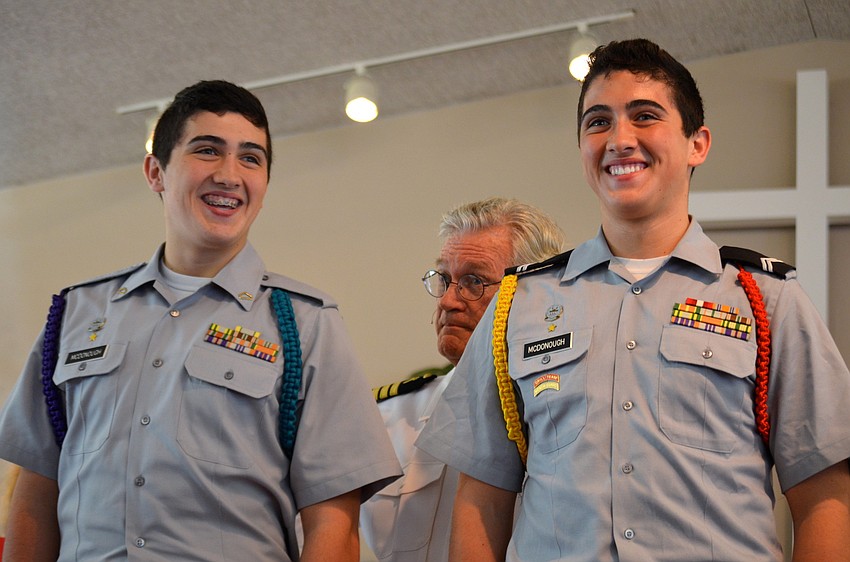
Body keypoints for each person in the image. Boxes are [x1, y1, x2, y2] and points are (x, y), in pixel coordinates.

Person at [417, 39, 850, 561]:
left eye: (645, 116)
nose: (620, 139)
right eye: (598, 122)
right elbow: (482, 500)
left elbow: (824, 497)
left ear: (698, 143)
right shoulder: (518, 303)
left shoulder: (766, 299)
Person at [0, 80, 401, 561]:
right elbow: (35, 493)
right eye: (208, 151)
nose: (230, 175)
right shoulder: (76, 313)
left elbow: (334, 524)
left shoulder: (304, 323)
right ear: (156, 172)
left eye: (251, 158)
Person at [360, 197, 566, 561]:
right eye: (444, 279)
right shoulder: (386, 420)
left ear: (537, 293)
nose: (448, 301)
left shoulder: (568, 420)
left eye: (474, 282)